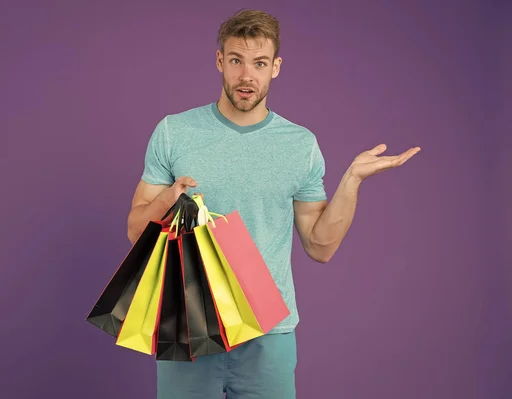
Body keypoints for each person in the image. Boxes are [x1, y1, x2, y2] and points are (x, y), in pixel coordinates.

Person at [126, 8, 420, 399]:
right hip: (189, 327)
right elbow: (135, 233)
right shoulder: (174, 132)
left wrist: (352, 181)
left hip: (269, 334)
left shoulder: (300, 145)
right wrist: (169, 196)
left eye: (259, 63)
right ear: (220, 61)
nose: (247, 75)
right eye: (236, 61)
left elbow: (320, 246)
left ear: (276, 67)